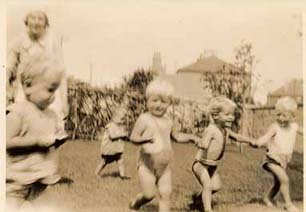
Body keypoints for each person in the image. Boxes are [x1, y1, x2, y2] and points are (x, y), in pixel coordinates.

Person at [129, 78, 201, 212]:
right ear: (147, 101)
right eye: (154, 100)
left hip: (165, 166)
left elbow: (176, 136)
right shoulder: (144, 119)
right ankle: (136, 203)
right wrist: (143, 139)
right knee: (149, 194)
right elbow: (133, 137)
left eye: (163, 101)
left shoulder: (168, 120)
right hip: (147, 165)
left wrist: (191, 137)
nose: (158, 105)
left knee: (165, 194)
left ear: (169, 103)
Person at [6, 55, 66, 211]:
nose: (54, 96)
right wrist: (37, 142)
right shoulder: (18, 112)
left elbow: (47, 135)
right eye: (50, 89)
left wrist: (57, 136)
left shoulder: (50, 114)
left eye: (56, 90)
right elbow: (6, 142)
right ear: (28, 85)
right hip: (15, 183)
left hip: (39, 181)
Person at [6, 10, 68, 130]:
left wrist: (64, 101)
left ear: (45, 24)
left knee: (51, 131)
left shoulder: (52, 43)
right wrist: (7, 91)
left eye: (40, 19)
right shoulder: (18, 42)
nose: (36, 22)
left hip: (48, 92)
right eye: (33, 18)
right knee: (22, 127)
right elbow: (8, 68)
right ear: (27, 21)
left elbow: (61, 74)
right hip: (25, 91)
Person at [192, 96, 254, 212]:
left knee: (216, 186)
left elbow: (237, 137)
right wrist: (203, 145)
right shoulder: (211, 129)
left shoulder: (225, 130)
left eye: (232, 114)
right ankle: (207, 209)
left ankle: (197, 199)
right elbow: (205, 141)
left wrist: (250, 141)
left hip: (212, 165)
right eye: (227, 115)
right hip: (200, 164)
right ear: (215, 116)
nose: (231, 117)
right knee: (208, 186)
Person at [252, 97, 302, 212]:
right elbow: (266, 137)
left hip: (284, 160)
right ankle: (288, 205)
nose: (280, 118)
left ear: (293, 117)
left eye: (284, 115)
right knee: (284, 179)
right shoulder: (275, 127)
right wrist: (259, 142)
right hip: (272, 158)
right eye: (278, 115)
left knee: (278, 183)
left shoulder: (294, 127)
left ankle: (267, 198)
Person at [95, 107, 130, 180]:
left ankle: (122, 176)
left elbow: (122, 135)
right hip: (109, 149)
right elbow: (112, 136)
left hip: (116, 149)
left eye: (123, 119)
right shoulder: (110, 126)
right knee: (104, 162)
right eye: (121, 119)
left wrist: (125, 135)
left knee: (120, 161)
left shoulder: (120, 127)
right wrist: (122, 135)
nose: (123, 120)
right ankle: (96, 173)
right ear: (114, 118)